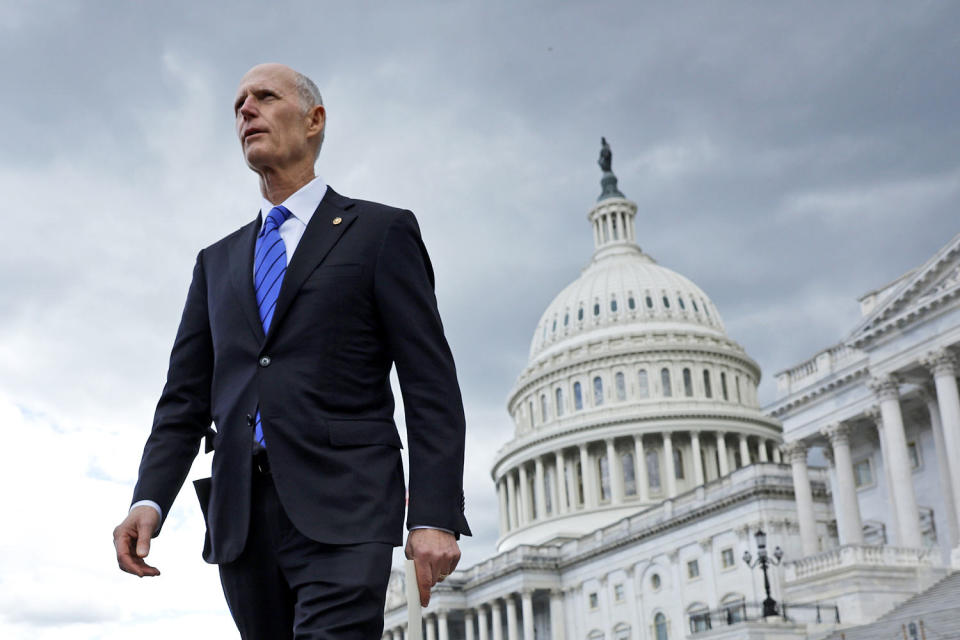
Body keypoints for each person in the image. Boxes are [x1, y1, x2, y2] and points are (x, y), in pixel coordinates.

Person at [112, 62, 470, 639]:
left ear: (313, 120)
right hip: (241, 521)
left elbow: (430, 384)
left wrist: (432, 514)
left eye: (264, 97)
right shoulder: (216, 262)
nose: (245, 110)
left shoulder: (380, 233)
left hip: (346, 507)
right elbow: (183, 399)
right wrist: (149, 499)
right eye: (237, 105)